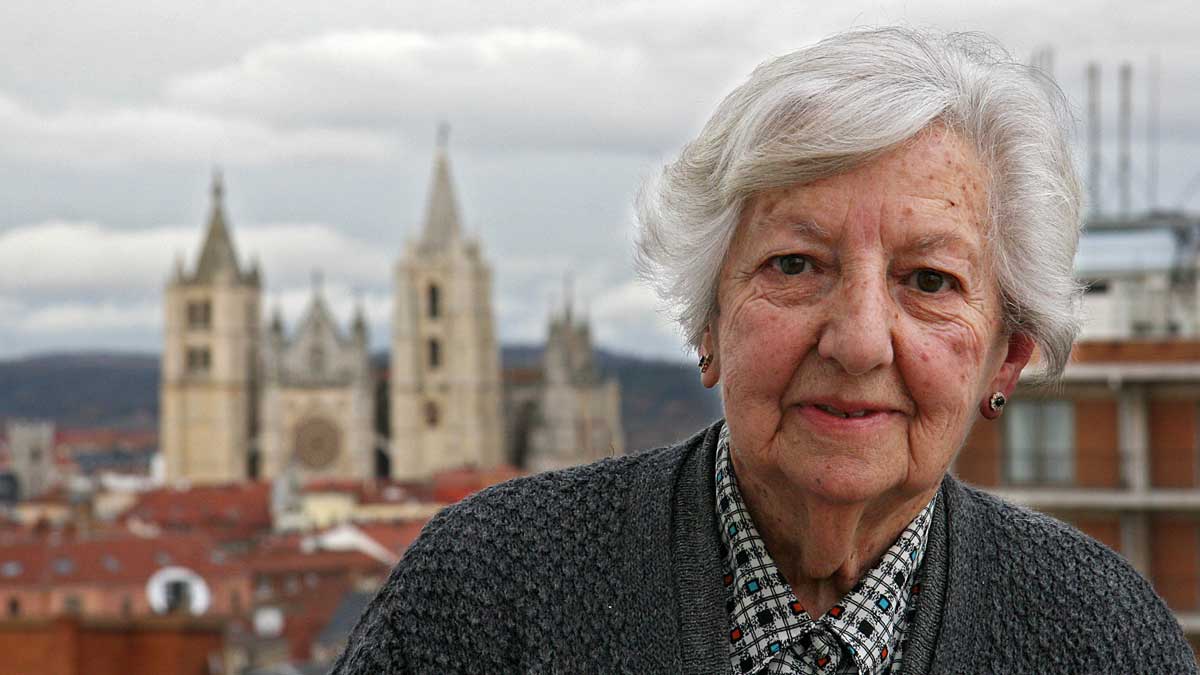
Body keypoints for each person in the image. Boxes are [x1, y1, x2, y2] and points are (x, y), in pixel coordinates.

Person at [331, 27, 1195, 674]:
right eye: (795, 264)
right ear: (706, 322)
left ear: (1006, 356)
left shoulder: (1101, 640)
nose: (859, 340)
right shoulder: (490, 596)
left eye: (929, 280)